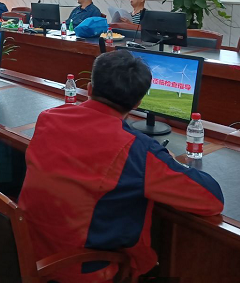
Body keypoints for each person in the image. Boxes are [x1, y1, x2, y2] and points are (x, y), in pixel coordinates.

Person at [18, 50, 223, 283]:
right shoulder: (136, 150)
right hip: (82, 271)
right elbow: (212, 199)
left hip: (27, 251)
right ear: (137, 103)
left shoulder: (48, 117)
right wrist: (169, 159)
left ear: (89, 89)